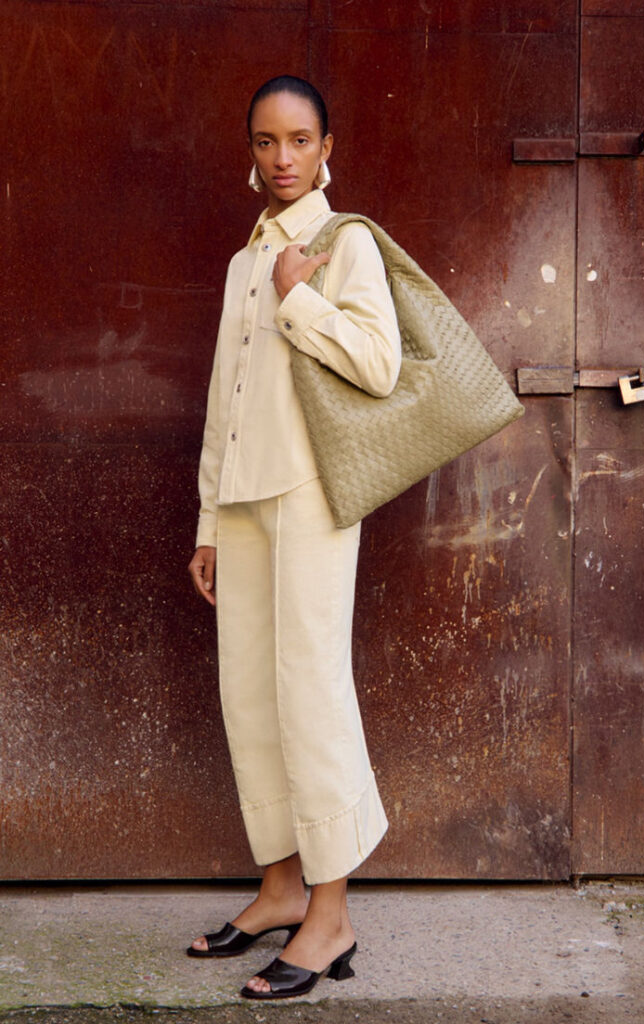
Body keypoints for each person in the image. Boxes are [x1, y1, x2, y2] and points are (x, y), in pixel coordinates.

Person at [186, 75, 401, 1000]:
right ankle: (279, 887)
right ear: (251, 150)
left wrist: (298, 301)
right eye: (266, 141)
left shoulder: (344, 244)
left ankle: (331, 912)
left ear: (326, 149)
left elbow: (379, 365)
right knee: (250, 696)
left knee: (310, 695)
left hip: (309, 498)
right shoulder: (246, 259)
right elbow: (222, 399)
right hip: (242, 501)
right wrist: (208, 522)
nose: (282, 158)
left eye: (300, 140)